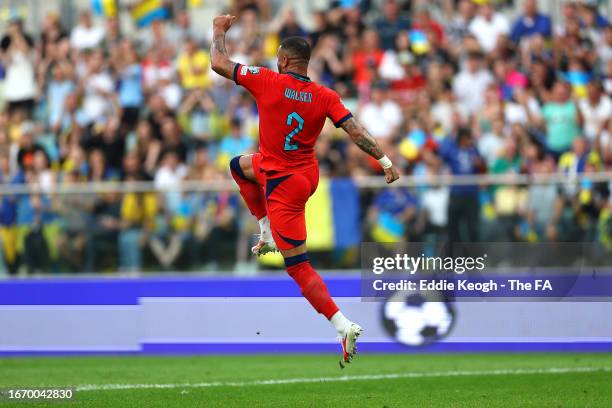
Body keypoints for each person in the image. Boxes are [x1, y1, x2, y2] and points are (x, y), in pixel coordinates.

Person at [210, 15, 399, 367]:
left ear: (283, 61)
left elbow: (218, 63)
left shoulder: (266, 80)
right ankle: (265, 230)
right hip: (301, 172)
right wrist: (386, 161)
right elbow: (356, 132)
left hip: (283, 184)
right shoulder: (325, 95)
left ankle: (343, 325)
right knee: (238, 167)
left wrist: (220, 31)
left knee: (297, 266)